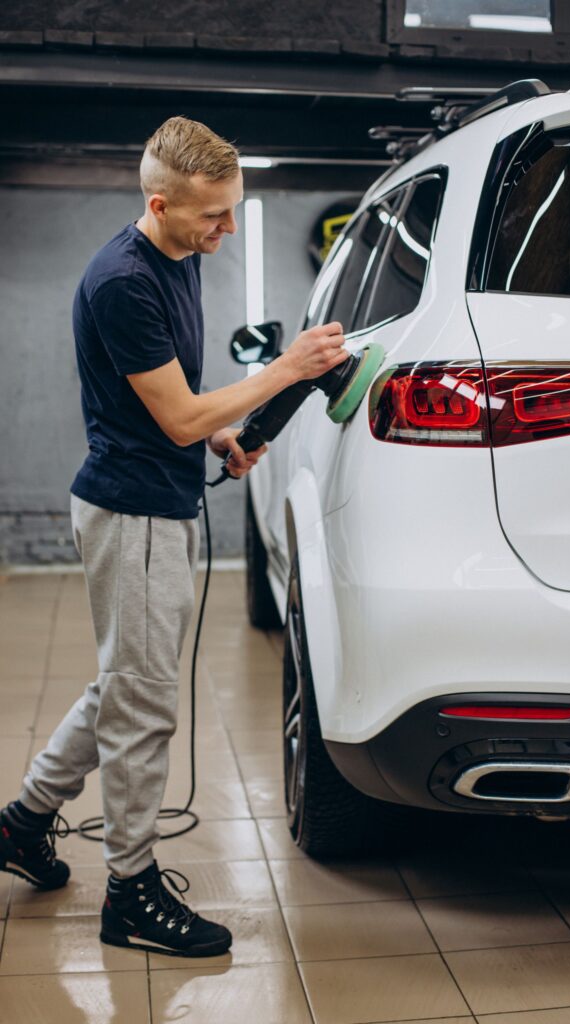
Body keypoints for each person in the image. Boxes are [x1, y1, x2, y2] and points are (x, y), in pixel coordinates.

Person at [0, 116, 348, 958]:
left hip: (153, 500)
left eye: (235, 212)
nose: (227, 230)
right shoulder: (123, 279)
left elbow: (181, 399)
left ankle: (23, 821)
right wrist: (284, 370)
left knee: (126, 682)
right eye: (212, 218)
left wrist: (224, 436)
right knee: (144, 706)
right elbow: (181, 412)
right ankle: (130, 889)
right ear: (160, 204)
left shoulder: (176, 257)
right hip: (135, 516)